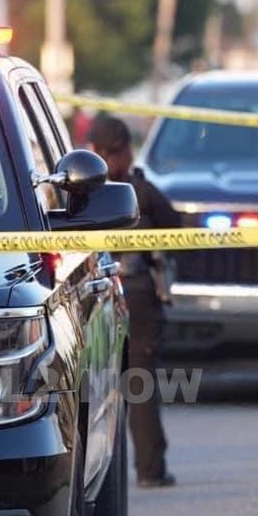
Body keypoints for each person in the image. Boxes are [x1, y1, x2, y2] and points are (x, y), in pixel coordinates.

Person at [87, 115, 179, 489]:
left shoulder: (80, 194)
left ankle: (97, 473)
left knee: (93, 389)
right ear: (124, 151)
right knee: (138, 382)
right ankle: (149, 469)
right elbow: (176, 229)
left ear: (92, 151)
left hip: (92, 297)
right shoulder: (141, 192)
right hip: (136, 294)